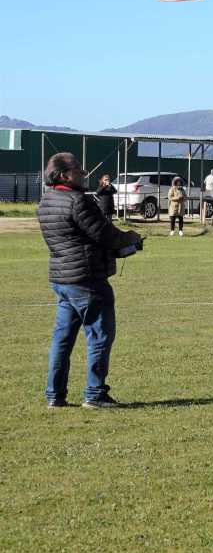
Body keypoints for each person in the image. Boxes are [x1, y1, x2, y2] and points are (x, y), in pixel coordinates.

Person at [37, 152, 141, 409]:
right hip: (87, 280)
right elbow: (105, 235)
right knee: (100, 336)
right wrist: (131, 238)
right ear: (64, 175)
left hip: (63, 279)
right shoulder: (78, 201)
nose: (84, 173)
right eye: (78, 169)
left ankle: (55, 395)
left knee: (62, 339)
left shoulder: (46, 201)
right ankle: (95, 394)